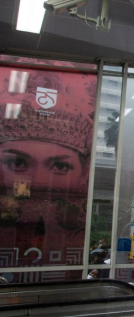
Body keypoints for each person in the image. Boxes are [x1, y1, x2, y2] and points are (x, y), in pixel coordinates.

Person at [0, 67, 96, 271]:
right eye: (17, 164)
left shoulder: (76, 240)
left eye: (59, 166)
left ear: (84, 173)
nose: (38, 180)